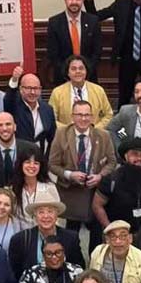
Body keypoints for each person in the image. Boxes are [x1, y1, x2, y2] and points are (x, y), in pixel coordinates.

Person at [47, 98, 116, 229]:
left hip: (95, 193)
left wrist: (100, 176)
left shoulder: (103, 136)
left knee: (96, 235)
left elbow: (112, 162)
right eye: (79, 115)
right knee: (72, 236)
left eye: (87, 115)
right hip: (71, 193)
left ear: (92, 117)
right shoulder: (61, 134)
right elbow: (52, 164)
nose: (83, 119)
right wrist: (69, 174)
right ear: (72, 117)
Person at [46, 0, 102, 85]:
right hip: (63, 79)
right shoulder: (54, 22)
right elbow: (53, 54)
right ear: (65, 0)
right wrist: (69, 73)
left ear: (82, 0)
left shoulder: (93, 21)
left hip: (88, 78)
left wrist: (84, 71)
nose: (74, 2)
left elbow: (97, 51)